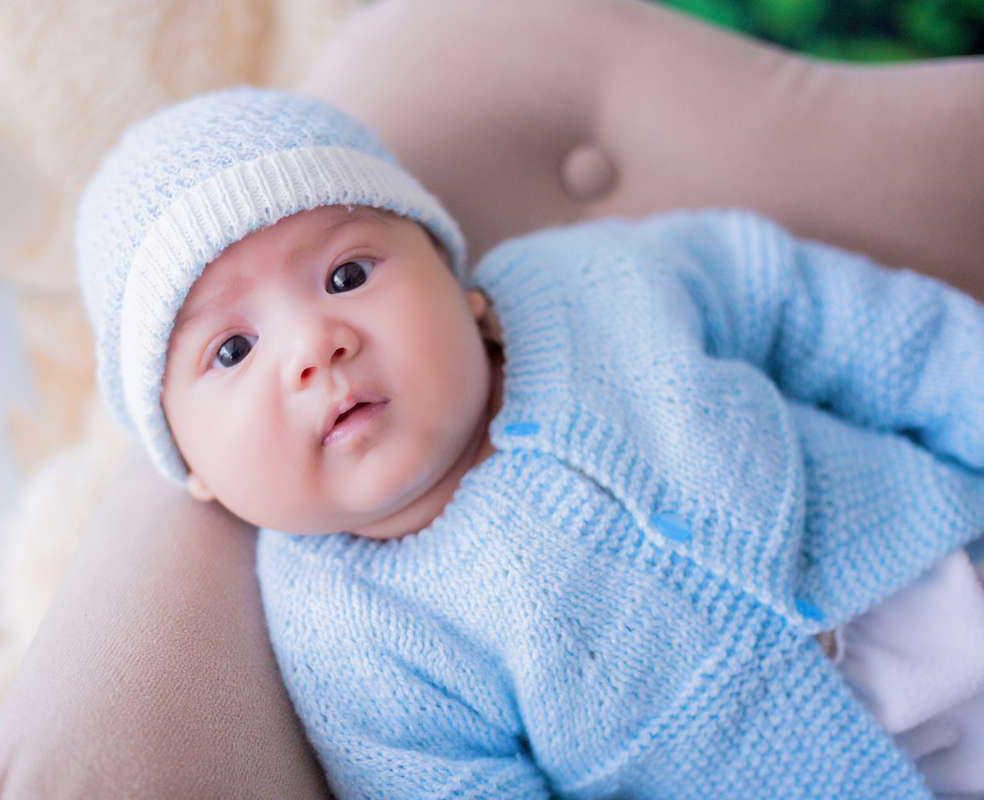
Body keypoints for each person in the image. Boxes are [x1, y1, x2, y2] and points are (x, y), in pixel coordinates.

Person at [74, 86, 984, 799]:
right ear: (191, 466)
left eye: (347, 274)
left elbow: (820, 312)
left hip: (948, 567)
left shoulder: (587, 281)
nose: (317, 346)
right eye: (232, 350)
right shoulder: (348, 635)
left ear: (453, 278)